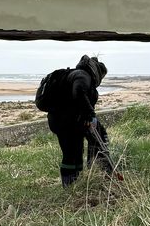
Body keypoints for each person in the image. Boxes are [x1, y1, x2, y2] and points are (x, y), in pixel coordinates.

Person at [46, 55, 113, 187]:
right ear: (97, 72)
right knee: (72, 154)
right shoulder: (83, 76)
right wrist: (90, 115)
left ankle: (76, 182)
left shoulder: (75, 74)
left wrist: (89, 115)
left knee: (74, 152)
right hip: (67, 122)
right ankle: (72, 185)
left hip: (61, 120)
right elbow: (78, 91)